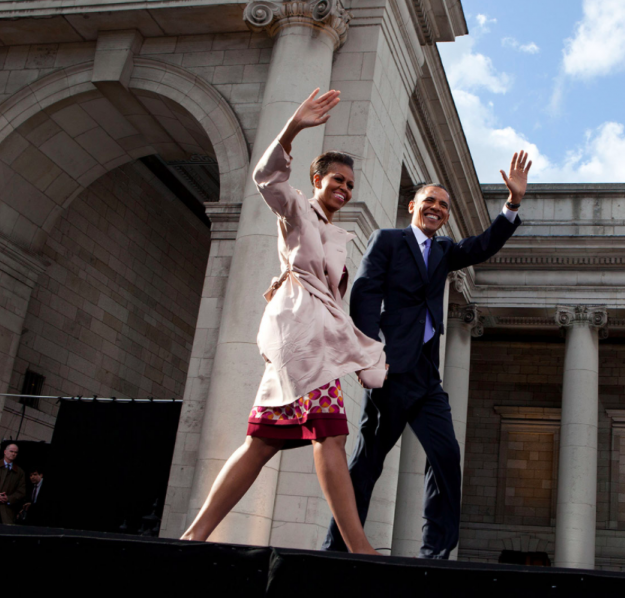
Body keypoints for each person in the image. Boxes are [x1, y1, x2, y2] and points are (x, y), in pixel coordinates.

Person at [180, 89, 388, 554]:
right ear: (316, 178)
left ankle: (193, 536)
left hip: (318, 339)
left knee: (264, 439)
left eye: (351, 185)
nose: (345, 189)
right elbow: (265, 176)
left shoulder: (336, 233)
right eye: (337, 179)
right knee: (330, 433)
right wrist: (293, 129)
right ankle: (359, 547)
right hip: (300, 336)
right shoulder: (296, 209)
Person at [321, 142, 529, 559]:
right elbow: (364, 294)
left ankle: (435, 551)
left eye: (444, 205)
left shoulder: (445, 251)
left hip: (427, 376)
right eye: (430, 201)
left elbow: (482, 246)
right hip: (393, 367)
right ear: (413, 205)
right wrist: (369, 353)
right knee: (369, 461)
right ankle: (338, 547)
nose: (437, 208)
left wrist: (512, 203)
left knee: (446, 455)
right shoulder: (389, 241)